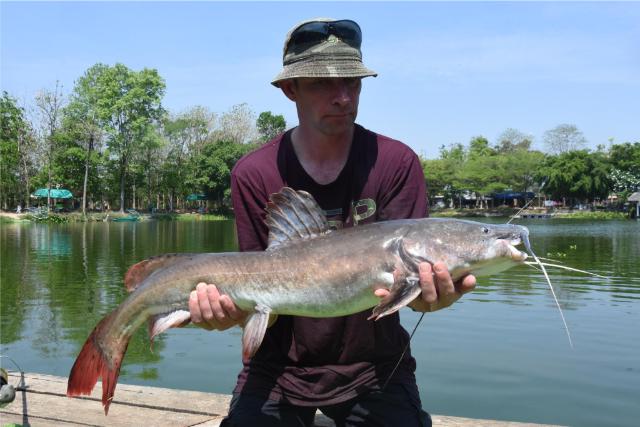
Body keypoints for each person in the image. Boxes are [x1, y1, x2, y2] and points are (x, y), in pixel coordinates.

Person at [189, 18, 476, 426]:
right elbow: (256, 288)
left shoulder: (396, 162)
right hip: (277, 368)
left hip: (374, 367)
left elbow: (414, 292)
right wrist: (227, 312)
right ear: (290, 89)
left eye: (352, 82)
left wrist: (433, 298)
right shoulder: (253, 173)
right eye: (322, 83)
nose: (342, 97)